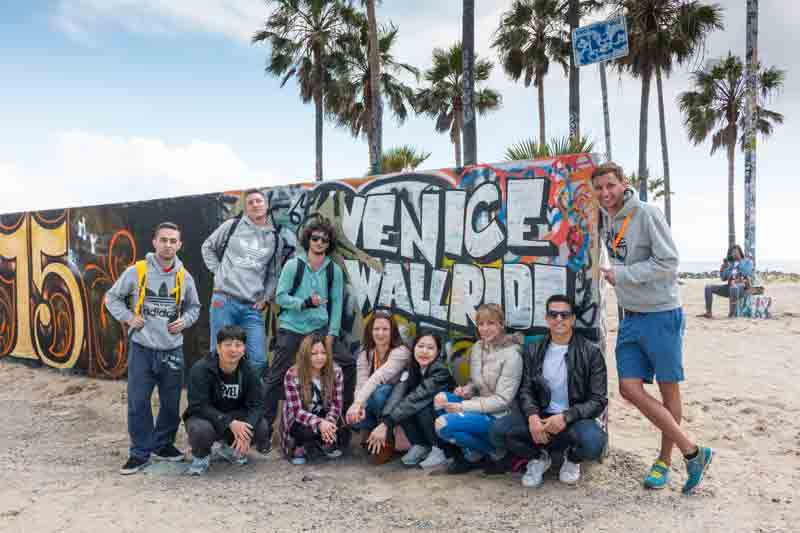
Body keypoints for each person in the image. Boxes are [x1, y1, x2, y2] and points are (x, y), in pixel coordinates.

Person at [593, 162, 713, 494]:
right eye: (599, 188)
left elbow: (669, 261)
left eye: (610, 186)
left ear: (623, 184)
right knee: (628, 388)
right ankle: (693, 451)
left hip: (661, 313)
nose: (605, 193)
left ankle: (663, 461)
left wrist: (624, 276)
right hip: (630, 316)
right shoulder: (605, 217)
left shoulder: (646, 214)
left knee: (668, 389)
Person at [104, 222, 201, 475]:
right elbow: (111, 297)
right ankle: (139, 453)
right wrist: (127, 317)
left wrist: (186, 321)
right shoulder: (137, 271)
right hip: (142, 348)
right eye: (164, 240)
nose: (168, 245)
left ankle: (163, 445)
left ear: (179, 245)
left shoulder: (184, 276)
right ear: (154, 242)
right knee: (138, 403)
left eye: (173, 241)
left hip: (172, 350)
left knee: (170, 403)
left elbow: (194, 307)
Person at [488, 295, 608, 487]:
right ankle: (539, 458)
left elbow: (598, 400)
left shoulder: (591, 353)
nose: (559, 319)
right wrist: (532, 417)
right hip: (542, 418)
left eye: (564, 314)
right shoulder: (534, 350)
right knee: (498, 431)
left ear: (573, 319)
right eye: (553, 314)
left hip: (573, 420)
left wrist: (566, 417)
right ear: (547, 318)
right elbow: (525, 390)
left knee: (594, 443)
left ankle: (572, 458)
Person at [263, 219, 350, 452]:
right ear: (308, 240)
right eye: (315, 238)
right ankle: (263, 431)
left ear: (329, 243)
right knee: (274, 378)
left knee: (346, 365)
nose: (319, 242)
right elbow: (280, 297)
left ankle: (339, 427)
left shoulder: (334, 270)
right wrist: (304, 303)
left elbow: (337, 303)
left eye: (324, 239)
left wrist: (331, 334)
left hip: (319, 330)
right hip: (292, 327)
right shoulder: (294, 265)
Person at [201, 188, 289, 376]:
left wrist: (266, 297)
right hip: (223, 301)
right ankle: (219, 402)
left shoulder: (275, 239)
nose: (255, 205)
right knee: (219, 356)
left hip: (251, 307)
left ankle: (250, 402)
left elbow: (273, 274)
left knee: (258, 360)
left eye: (259, 201)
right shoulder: (232, 226)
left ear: (266, 205)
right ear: (246, 208)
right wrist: (219, 272)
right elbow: (207, 247)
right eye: (250, 202)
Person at [433, 303, 523, 475]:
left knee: (442, 425)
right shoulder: (477, 347)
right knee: (440, 400)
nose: (485, 329)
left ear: (501, 325)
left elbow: (503, 401)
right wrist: (467, 390)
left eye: (491, 323)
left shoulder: (512, 355)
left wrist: (462, 406)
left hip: (500, 415)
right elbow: (477, 383)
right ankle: (475, 455)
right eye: (481, 324)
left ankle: (497, 454)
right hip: (479, 405)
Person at [183, 325, 269, 476]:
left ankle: (230, 449)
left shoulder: (250, 371)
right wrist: (230, 422)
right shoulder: (201, 369)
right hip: (206, 418)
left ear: (244, 349)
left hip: (235, 416)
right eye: (227, 345)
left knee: (261, 427)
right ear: (218, 347)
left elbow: (257, 405)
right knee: (200, 431)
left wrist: (245, 431)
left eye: (238, 345)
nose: (233, 350)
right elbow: (198, 406)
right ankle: (201, 456)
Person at [365, 332, 456, 469]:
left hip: (444, 418)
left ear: (438, 352)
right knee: (401, 406)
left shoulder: (440, 371)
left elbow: (417, 398)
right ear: (414, 348)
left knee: (419, 406)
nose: (424, 351)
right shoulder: (413, 366)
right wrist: (384, 421)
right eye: (420, 346)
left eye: (430, 348)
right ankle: (420, 445)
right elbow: (399, 392)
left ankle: (440, 449)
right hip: (423, 410)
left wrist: (386, 424)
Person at [345, 311, 411, 463]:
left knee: (379, 391)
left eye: (385, 329)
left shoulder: (401, 352)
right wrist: (358, 407)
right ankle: (371, 432)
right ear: (370, 331)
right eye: (376, 329)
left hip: (395, 405)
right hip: (375, 403)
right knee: (353, 418)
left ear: (392, 331)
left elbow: (378, 377)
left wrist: (358, 403)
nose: (380, 333)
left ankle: (387, 438)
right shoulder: (365, 353)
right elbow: (361, 383)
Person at [281, 333, 345, 465]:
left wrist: (328, 422)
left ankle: (324, 441)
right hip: (301, 420)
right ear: (305, 355)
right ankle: (298, 446)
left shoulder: (336, 371)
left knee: (340, 424)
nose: (319, 357)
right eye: (314, 353)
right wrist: (320, 424)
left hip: (324, 415)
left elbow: (337, 404)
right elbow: (297, 412)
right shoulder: (293, 374)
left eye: (323, 352)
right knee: (302, 430)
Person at [699, 244, 754, 319]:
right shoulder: (730, 264)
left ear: (740, 252)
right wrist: (722, 269)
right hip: (729, 287)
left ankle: (732, 314)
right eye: (732, 252)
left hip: (741, 288)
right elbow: (723, 278)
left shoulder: (747, 261)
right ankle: (709, 312)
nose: (734, 253)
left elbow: (746, 272)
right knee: (708, 287)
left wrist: (739, 261)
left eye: (735, 251)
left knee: (733, 287)